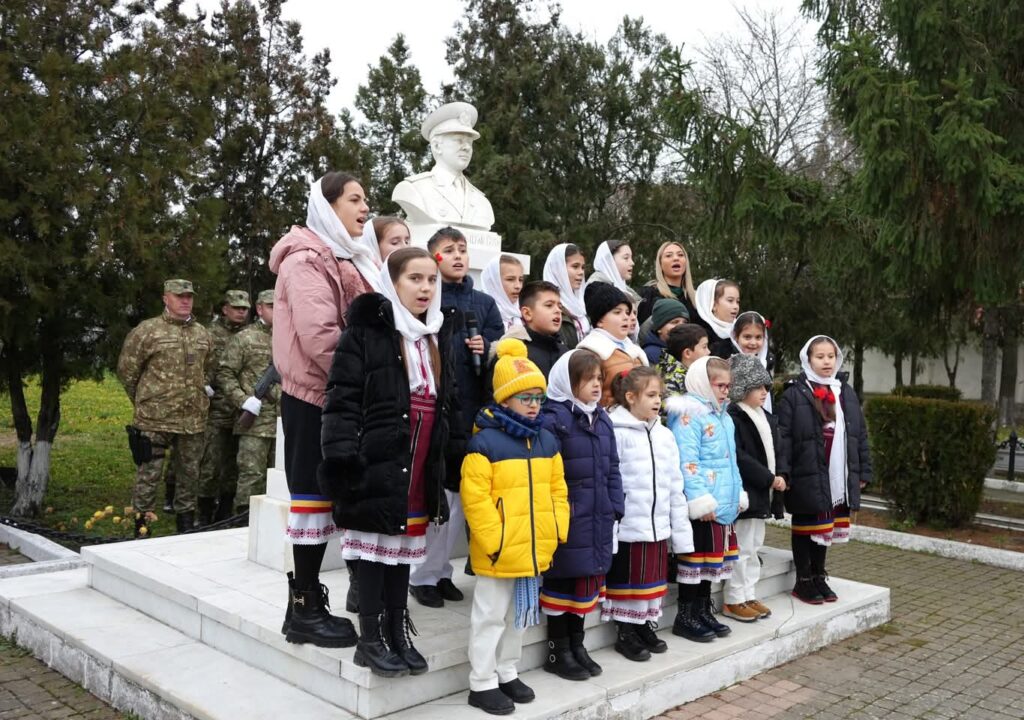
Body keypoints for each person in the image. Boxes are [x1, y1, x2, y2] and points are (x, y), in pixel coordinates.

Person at [320, 246, 464, 677]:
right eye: (414, 279)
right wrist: (342, 460)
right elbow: (342, 401)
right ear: (392, 282)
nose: (425, 288)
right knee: (373, 554)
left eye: (431, 280)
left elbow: (447, 405)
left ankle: (397, 631)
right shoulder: (369, 331)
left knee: (401, 553)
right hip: (377, 460)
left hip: (418, 463)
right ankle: (369, 639)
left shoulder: (438, 334)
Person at [269, 171, 378, 649]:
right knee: (312, 501)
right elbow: (321, 338)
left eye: (366, 199)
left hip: (340, 397)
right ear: (327, 205)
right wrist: (374, 374)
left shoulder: (348, 255)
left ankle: (314, 604)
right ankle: (305, 611)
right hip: (314, 398)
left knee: (331, 499)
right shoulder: (305, 259)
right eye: (354, 199)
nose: (364, 208)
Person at [462, 339, 569, 716]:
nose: (535, 405)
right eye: (526, 398)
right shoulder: (484, 443)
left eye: (538, 397)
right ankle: (482, 681)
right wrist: (496, 542)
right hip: (500, 550)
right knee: (490, 616)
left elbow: (558, 490)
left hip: (535, 546)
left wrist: (557, 530)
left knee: (519, 617)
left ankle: (507, 670)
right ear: (505, 399)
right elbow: (476, 502)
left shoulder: (546, 440)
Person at [409, 227, 503, 608]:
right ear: (434, 258)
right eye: (449, 250)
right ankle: (422, 575)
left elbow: (501, 348)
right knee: (440, 495)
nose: (459, 255)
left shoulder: (484, 302)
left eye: (462, 249)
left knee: (462, 497)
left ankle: (442, 570)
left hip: (474, 411)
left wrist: (488, 349)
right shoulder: (428, 298)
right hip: (439, 408)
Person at [538, 349, 624, 681]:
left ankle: (577, 644)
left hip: (599, 515)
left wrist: (616, 505)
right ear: (567, 381)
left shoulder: (602, 418)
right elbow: (549, 472)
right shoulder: (554, 418)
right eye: (587, 379)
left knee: (586, 585)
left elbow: (613, 468)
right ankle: (557, 650)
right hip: (569, 517)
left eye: (599, 379)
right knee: (563, 584)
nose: (596, 385)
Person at [605, 367, 692, 661]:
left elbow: (674, 483)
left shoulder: (665, 435)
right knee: (629, 581)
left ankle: (644, 625)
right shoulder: (616, 432)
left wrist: (677, 527)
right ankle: (626, 631)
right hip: (630, 523)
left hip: (657, 524)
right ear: (630, 397)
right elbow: (612, 477)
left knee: (651, 581)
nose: (658, 402)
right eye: (651, 395)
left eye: (660, 396)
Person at [777, 335, 872, 605]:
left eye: (831, 356)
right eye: (820, 357)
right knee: (807, 526)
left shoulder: (844, 392)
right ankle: (803, 580)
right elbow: (784, 437)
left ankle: (819, 575)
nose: (826, 361)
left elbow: (858, 434)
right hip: (808, 471)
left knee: (825, 527)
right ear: (808, 359)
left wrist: (862, 470)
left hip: (837, 474)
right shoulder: (795, 393)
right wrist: (785, 471)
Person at [117, 279, 213, 535]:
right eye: (179, 295)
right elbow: (127, 371)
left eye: (189, 296)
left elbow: (209, 369)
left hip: (192, 420)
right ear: (165, 298)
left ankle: (184, 529)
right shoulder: (147, 331)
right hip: (154, 420)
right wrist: (146, 402)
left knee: (189, 477)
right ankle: (141, 529)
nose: (185, 300)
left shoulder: (202, 333)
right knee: (148, 476)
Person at [665, 356, 745, 643]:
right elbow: (687, 461)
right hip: (704, 503)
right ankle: (685, 616)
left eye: (728, 386)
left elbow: (730, 460)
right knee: (695, 562)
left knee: (712, 562)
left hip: (722, 499)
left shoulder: (723, 416)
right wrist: (700, 499)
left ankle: (702, 609)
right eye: (719, 385)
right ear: (702, 382)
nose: (725, 391)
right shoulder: (689, 414)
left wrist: (738, 493)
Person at [721, 354, 785, 623]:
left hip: (765, 493)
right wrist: (768, 478)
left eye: (766, 387)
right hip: (748, 492)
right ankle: (734, 598)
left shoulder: (765, 417)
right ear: (741, 388)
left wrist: (781, 474)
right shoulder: (735, 416)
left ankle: (749, 593)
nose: (764, 392)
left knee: (754, 546)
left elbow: (778, 449)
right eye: (758, 387)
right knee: (742, 547)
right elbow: (740, 456)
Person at [217, 289, 277, 515]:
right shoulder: (244, 338)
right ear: (260, 309)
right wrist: (243, 401)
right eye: (271, 306)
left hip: (283, 423)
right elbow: (224, 373)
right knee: (251, 476)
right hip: (255, 424)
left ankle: (270, 524)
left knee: (279, 477)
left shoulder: (288, 337)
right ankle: (243, 523)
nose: (277, 310)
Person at [392, 101, 495, 229]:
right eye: (459, 140)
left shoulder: (481, 201)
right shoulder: (413, 189)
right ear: (436, 146)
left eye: (470, 142)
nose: (467, 148)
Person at [197, 289, 251, 525]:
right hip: (216, 410)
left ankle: (225, 513)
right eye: (236, 308)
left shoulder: (251, 336)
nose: (241, 312)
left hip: (243, 411)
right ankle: (203, 514)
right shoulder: (209, 334)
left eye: (245, 308)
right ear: (225, 309)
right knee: (211, 464)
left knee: (234, 466)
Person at [484, 281, 567, 396]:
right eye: (549, 305)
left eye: (559, 306)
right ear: (527, 313)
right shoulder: (513, 352)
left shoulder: (565, 353)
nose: (558, 310)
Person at [576, 283, 648, 407]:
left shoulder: (635, 350)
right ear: (600, 321)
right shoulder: (591, 351)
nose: (626, 317)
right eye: (617, 312)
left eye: (627, 312)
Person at [637, 241, 698, 325]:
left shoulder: (696, 299)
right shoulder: (648, 294)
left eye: (680, 255)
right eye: (668, 255)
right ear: (660, 264)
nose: (676, 258)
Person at [542, 243, 590, 350]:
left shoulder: (583, 305)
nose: (581, 272)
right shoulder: (545, 306)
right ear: (558, 269)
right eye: (575, 266)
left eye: (582, 268)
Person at [585, 240, 641, 309]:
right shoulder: (595, 289)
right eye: (626, 258)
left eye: (631, 258)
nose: (632, 263)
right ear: (609, 260)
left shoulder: (628, 291)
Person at [694, 278, 741, 358]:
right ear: (713, 305)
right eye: (730, 300)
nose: (736, 306)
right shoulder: (702, 336)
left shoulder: (740, 331)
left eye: (737, 301)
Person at [480, 254, 525, 331]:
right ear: (494, 282)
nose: (518, 286)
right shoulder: (480, 315)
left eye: (520, 280)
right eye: (510, 279)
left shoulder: (523, 316)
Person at [640, 298, 690, 366]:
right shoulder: (651, 355)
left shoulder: (689, 349)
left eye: (685, 322)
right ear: (659, 328)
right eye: (674, 322)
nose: (681, 326)